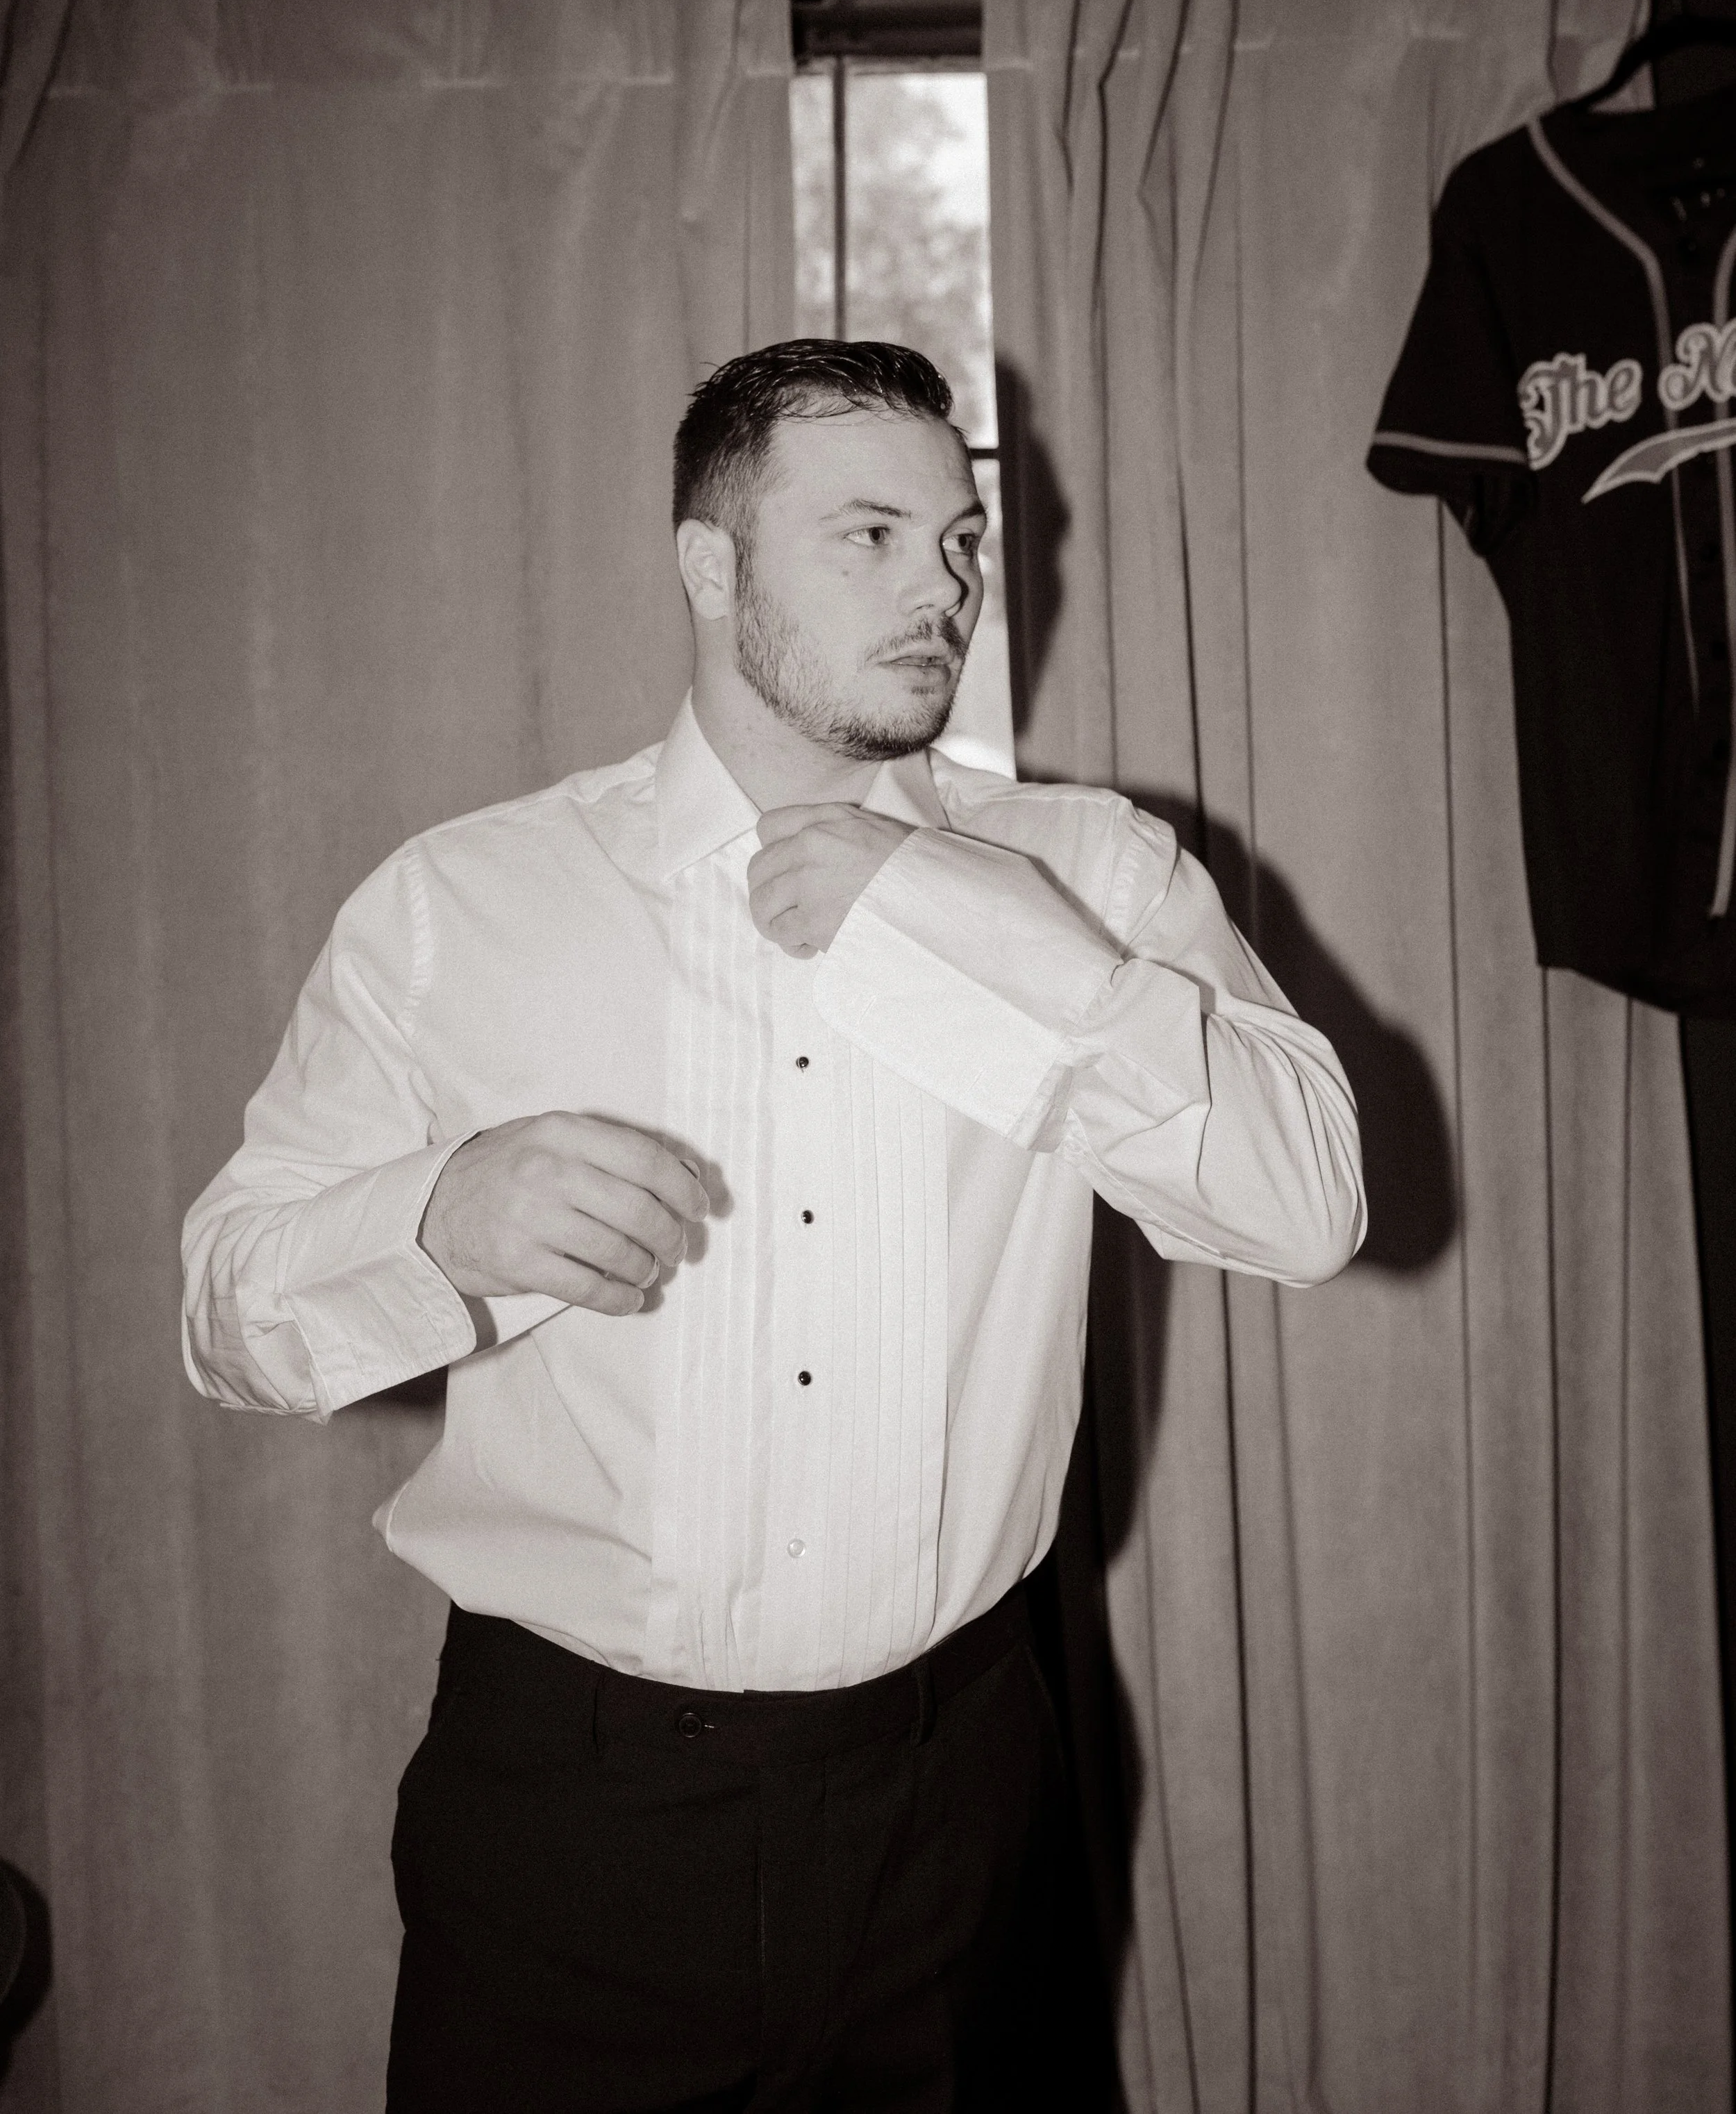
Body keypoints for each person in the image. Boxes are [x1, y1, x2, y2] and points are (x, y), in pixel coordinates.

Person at [182, 338, 1364, 2113]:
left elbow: (1307, 1208)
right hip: (569, 1826)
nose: (942, 592)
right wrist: (436, 1216)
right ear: (710, 567)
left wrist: (1004, 939)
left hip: (957, 1803)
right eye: (869, 537)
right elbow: (226, 1311)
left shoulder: (1094, 875)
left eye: (958, 543)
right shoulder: (462, 904)